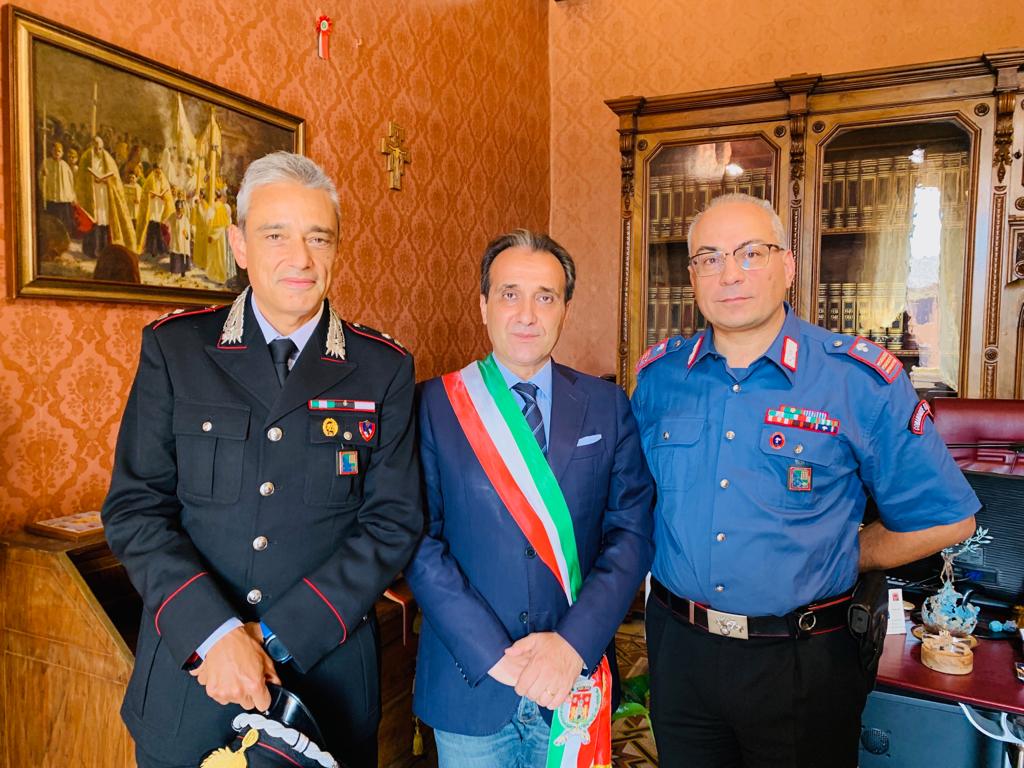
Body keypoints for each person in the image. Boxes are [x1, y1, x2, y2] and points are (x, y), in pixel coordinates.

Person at [631, 193, 979, 768]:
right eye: (709, 258)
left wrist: (849, 552)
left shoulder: (857, 380)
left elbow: (949, 520)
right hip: (679, 651)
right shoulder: (659, 377)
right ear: (692, 277)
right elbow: (635, 504)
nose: (730, 273)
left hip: (802, 662)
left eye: (750, 253)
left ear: (787, 265)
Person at [101, 151, 423, 768]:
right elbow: (136, 509)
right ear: (239, 245)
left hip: (324, 682)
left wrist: (275, 637)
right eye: (276, 235)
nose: (300, 258)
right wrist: (215, 634)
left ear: (336, 249)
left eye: (318, 238)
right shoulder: (176, 349)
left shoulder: (382, 367)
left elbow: (392, 523)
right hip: (192, 682)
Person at [405, 229, 655, 767]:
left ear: (565, 309)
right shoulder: (432, 405)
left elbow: (631, 535)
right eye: (509, 294)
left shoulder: (606, 405)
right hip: (470, 682)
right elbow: (417, 542)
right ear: (483, 305)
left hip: (572, 680)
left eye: (545, 297)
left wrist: (572, 645)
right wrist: (493, 655)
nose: (526, 314)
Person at [38, 140, 76, 234]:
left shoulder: (65, 165)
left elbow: (70, 181)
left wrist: (71, 195)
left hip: (63, 198)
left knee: (63, 219)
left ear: (62, 153)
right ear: (51, 151)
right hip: (51, 197)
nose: (57, 153)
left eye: (59, 151)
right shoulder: (46, 163)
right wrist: (43, 175)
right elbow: (41, 178)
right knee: (52, 218)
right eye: (55, 151)